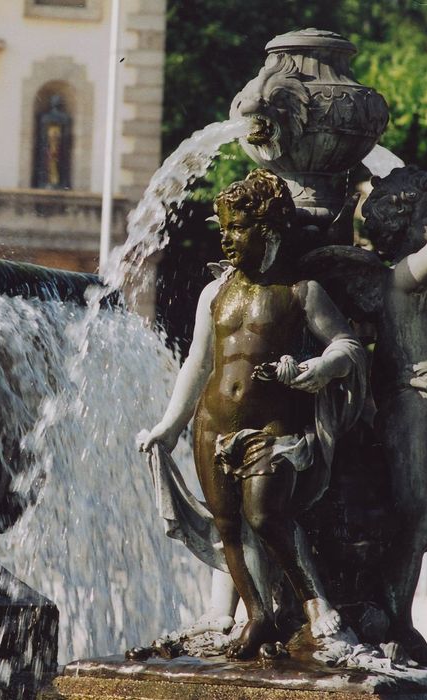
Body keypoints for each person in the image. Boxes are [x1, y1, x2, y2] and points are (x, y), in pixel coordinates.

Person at [138, 169, 365, 658]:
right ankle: (258, 616)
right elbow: (197, 366)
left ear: (271, 232)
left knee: (264, 515)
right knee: (228, 525)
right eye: (224, 226)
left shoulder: (301, 291)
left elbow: (348, 344)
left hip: (272, 426)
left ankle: (315, 604)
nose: (227, 237)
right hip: (212, 424)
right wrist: (169, 426)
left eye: (237, 227)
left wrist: (317, 368)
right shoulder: (215, 294)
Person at [301, 161, 427, 667]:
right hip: (417, 404)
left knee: (421, 522)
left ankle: (390, 617)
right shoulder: (403, 278)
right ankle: (395, 625)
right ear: (406, 225)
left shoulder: (413, 278)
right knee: (413, 526)